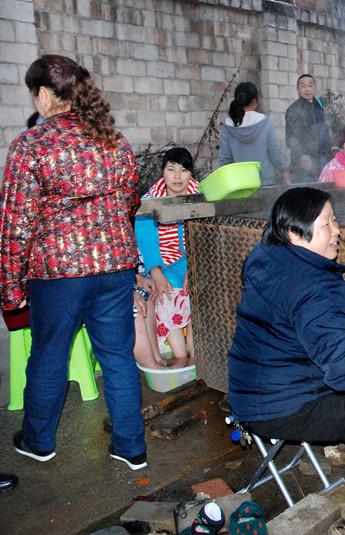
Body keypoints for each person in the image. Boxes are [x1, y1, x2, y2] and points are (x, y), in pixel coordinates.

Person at [1, 55, 147, 470]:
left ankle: (38, 441)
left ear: (44, 95)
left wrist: (11, 291)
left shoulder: (31, 145)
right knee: (117, 357)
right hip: (115, 267)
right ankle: (131, 447)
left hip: (59, 274)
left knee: (48, 356)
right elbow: (131, 201)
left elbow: (15, 224)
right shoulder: (114, 141)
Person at [228, 187, 345, 460]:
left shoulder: (264, 256)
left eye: (335, 220)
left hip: (245, 393)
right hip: (280, 407)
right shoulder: (318, 287)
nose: (337, 230)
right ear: (294, 233)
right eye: (325, 223)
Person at [135, 148, 199, 368]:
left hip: (193, 260)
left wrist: (195, 268)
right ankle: (180, 354)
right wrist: (156, 272)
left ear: (191, 173)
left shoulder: (201, 196)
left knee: (202, 288)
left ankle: (195, 351)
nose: (177, 176)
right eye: (171, 170)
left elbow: (203, 236)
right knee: (165, 289)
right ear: (162, 172)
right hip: (163, 262)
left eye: (183, 170)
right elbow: (146, 239)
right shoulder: (149, 201)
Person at [219, 81, 289, 187]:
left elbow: (225, 158)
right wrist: (284, 172)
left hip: (239, 185)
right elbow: (275, 152)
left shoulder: (228, 125)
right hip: (265, 183)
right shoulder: (266, 122)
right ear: (255, 101)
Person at [285, 74, 331, 183]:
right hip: (306, 160)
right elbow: (291, 137)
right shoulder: (294, 109)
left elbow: (324, 130)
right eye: (303, 86)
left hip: (323, 157)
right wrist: (302, 155)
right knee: (307, 191)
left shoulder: (319, 106)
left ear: (315, 88)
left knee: (324, 189)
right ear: (298, 89)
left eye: (310, 85)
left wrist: (331, 147)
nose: (307, 89)